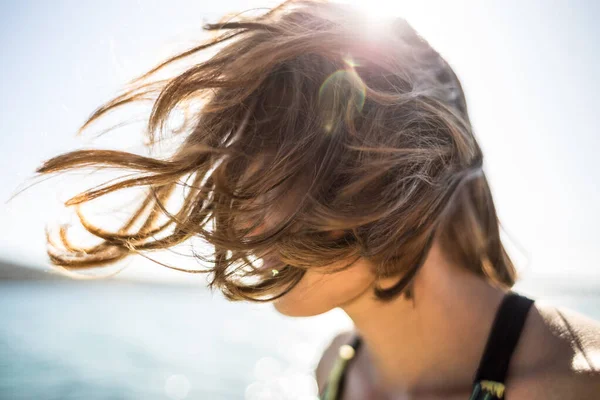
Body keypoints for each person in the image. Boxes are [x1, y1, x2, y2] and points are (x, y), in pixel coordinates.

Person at [35, 1, 599, 398]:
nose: (245, 218)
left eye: (286, 170)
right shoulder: (335, 369)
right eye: (239, 175)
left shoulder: (577, 383)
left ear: (405, 161)